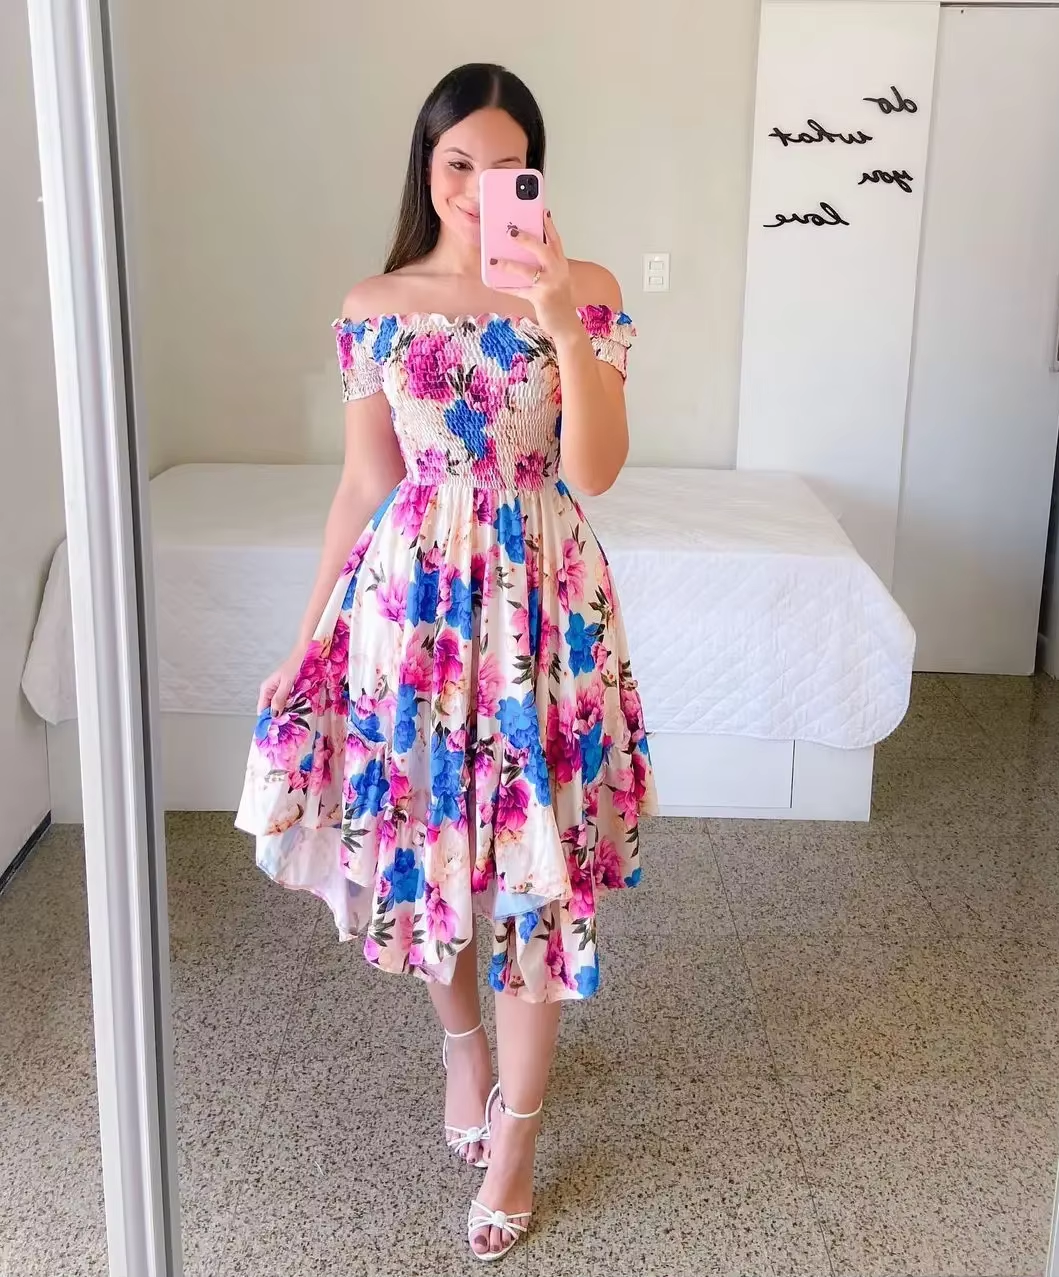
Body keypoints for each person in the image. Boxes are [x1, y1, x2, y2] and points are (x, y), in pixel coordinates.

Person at [235, 62, 657, 1262]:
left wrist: (560, 316)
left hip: (542, 611)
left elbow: (596, 470)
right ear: (427, 170)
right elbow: (365, 482)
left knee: (531, 869)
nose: (477, 189)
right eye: (456, 164)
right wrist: (304, 637)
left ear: (537, 176)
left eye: (503, 166)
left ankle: (518, 1141)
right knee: (434, 854)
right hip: (412, 613)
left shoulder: (586, 290)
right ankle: (462, 1048)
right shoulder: (377, 302)